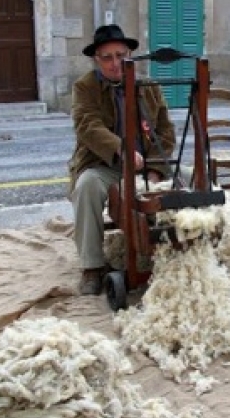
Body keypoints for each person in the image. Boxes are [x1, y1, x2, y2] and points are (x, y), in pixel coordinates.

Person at [68, 24, 176, 295]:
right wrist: (121, 149)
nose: (116, 63)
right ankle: (92, 266)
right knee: (86, 187)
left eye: (121, 55)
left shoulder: (149, 86)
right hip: (105, 165)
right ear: (96, 59)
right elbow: (88, 126)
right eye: (107, 57)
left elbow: (166, 130)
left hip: (146, 167)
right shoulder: (85, 87)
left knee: (194, 179)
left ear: (130, 54)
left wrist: (154, 170)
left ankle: (187, 248)